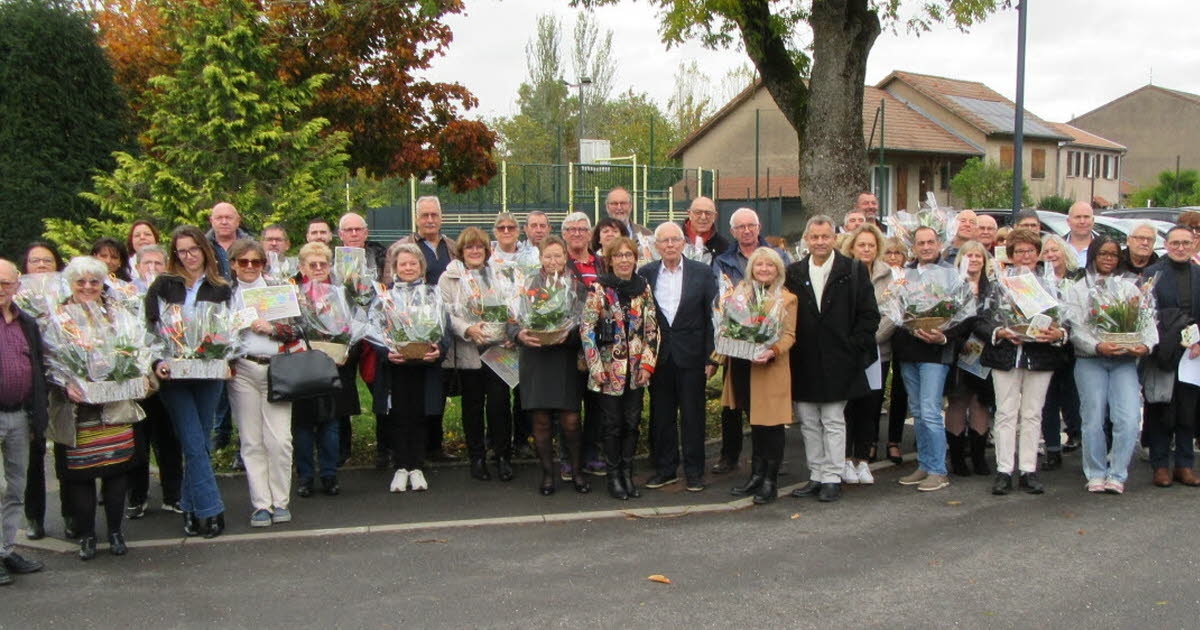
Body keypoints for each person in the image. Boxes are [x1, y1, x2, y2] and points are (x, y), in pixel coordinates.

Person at [51, 256, 146, 560]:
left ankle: (116, 532)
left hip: (114, 406)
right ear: (71, 284)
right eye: (81, 282)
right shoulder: (58, 317)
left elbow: (137, 349)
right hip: (77, 410)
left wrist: (133, 372)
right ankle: (88, 535)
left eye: (94, 281)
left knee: (116, 471)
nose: (88, 287)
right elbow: (47, 360)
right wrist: (65, 383)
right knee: (81, 475)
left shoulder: (118, 314)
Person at [144, 226, 232, 538]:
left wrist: (226, 355)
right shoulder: (163, 286)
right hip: (176, 376)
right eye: (181, 251)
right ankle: (211, 510)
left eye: (193, 249)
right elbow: (150, 332)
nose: (188, 256)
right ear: (174, 254)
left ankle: (189, 506)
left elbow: (230, 330)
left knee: (201, 442)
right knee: (194, 443)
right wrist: (158, 362)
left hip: (208, 374)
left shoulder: (221, 287)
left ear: (204, 250)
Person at [785, 216, 880, 503]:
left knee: (833, 419)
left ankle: (832, 476)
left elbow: (869, 315)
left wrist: (853, 347)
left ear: (835, 238)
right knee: (809, 421)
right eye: (814, 237)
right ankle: (816, 474)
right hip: (804, 359)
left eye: (825, 236)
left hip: (841, 359)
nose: (820, 242)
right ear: (806, 240)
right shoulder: (794, 272)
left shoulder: (851, 270)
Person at [979, 230, 1069, 495]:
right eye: (1019, 251)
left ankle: (1028, 469)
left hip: (1040, 356)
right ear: (1011, 255)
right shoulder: (998, 283)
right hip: (1006, 355)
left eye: (1030, 250)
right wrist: (1001, 331)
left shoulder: (1050, 283)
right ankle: (1004, 470)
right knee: (1006, 413)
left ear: (1038, 253)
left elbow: (1067, 322)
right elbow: (982, 319)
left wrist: (1058, 334)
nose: (1025, 256)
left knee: (1032, 413)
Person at [1067, 235, 1156, 494]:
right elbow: (1076, 329)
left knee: (1128, 418)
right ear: (1093, 255)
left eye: (1113, 255)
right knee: (1092, 418)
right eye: (1103, 253)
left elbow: (1146, 322)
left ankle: (1117, 472)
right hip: (1090, 361)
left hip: (1124, 362)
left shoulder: (1129, 287)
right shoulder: (1079, 288)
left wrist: (1146, 345)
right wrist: (1096, 345)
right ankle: (1095, 472)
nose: (1108, 259)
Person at [640, 222, 718, 492]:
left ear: (683, 243)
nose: (670, 245)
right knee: (662, 417)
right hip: (659, 358)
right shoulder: (646, 274)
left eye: (675, 240)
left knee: (693, 416)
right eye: (664, 241)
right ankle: (666, 469)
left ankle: (695, 472)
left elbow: (712, 317)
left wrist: (712, 357)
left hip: (693, 356)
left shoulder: (702, 273)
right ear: (656, 245)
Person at [226, 239, 299, 527]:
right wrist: (232, 326)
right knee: (251, 440)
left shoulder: (276, 289)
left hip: (276, 369)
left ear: (263, 264)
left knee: (280, 440)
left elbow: (297, 327)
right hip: (243, 369)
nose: (249, 267)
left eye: (255, 262)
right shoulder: (225, 293)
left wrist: (272, 328)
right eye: (243, 262)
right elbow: (214, 329)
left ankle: (281, 500)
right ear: (233, 264)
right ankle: (261, 504)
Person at [711, 207, 789, 475]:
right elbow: (720, 298)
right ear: (732, 231)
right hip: (735, 348)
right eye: (740, 227)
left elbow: (786, 299)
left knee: (765, 409)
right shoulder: (724, 260)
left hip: (769, 350)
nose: (746, 230)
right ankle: (731, 456)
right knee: (734, 404)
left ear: (759, 227)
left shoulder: (777, 256)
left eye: (751, 225)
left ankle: (767, 464)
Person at [894, 226, 972, 493]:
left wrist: (944, 336)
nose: (925, 247)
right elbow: (895, 308)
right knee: (917, 411)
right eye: (920, 243)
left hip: (935, 352)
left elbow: (966, 315)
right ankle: (925, 464)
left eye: (930, 242)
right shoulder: (904, 274)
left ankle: (938, 470)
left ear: (939, 244)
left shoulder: (952, 274)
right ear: (913, 247)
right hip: (909, 350)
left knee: (930, 410)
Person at [581, 237, 659, 500]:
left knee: (632, 423)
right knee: (612, 424)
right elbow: (587, 329)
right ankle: (614, 476)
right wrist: (594, 366)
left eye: (629, 255)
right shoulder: (599, 289)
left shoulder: (643, 288)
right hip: (608, 369)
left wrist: (648, 364)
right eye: (619, 256)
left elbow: (652, 329)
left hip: (637, 370)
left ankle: (627, 472)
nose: (624, 260)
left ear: (635, 259)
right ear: (610, 260)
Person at [438, 228, 515, 483]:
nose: (474, 251)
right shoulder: (449, 278)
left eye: (479, 247)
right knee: (472, 407)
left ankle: (503, 455)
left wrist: (508, 331)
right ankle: (477, 457)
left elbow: (513, 305)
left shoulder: (500, 275)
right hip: (469, 351)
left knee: (499, 405)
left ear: (486, 250)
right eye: (469, 247)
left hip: (498, 351)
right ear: (461, 251)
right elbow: (446, 314)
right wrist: (468, 329)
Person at [516, 236, 589, 496]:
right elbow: (513, 319)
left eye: (558, 256)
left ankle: (577, 471)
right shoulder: (526, 285)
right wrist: (519, 334)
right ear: (540, 258)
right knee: (541, 420)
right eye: (548, 256)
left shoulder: (577, 286)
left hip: (564, 358)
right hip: (536, 357)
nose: (553, 261)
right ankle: (548, 474)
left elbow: (584, 322)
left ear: (566, 256)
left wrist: (567, 335)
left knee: (570, 419)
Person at [724, 248, 797, 504]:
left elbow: (789, 335)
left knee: (772, 427)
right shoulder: (739, 294)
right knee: (754, 423)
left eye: (770, 265)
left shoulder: (787, 299)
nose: (764, 269)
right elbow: (728, 326)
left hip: (769, 368)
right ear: (751, 268)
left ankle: (770, 480)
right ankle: (756, 475)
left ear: (778, 270)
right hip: (743, 367)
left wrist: (772, 351)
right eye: (759, 265)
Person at [373, 244, 445, 493]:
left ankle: (417, 466)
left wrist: (438, 349)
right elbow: (376, 332)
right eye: (402, 264)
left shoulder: (433, 294)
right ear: (394, 268)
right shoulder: (385, 297)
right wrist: (387, 351)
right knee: (398, 417)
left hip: (423, 365)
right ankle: (400, 467)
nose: (408, 268)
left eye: (413, 263)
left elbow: (443, 330)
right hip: (397, 366)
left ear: (421, 267)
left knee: (420, 416)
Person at [396, 198, 458, 463]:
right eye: (425, 215)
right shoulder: (402, 248)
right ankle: (405, 454)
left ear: (441, 217)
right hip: (408, 329)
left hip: (441, 327)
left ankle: (434, 445)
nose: (430, 219)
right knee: (407, 400)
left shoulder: (452, 247)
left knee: (438, 391)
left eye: (434, 214)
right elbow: (391, 287)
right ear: (417, 218)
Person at [125, 245, 183, 521]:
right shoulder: (125, 297)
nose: (152, 268)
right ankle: (137, 496)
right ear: (136, 268)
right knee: (138, 440)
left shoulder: (175, 296)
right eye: (146, 263)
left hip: (167, 375)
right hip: (138, 378)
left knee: (169, 439)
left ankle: (174, 495)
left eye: (158, 263)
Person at [292, 242, 353, 497]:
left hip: (332, 363)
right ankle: (305, 476)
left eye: (323, 264)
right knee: (303, 424)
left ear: (330, 266)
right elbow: (287, 327)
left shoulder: (340, 293)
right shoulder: (294, 294)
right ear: (302, 267)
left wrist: (344, 346)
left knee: (330, 421)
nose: (318, 268)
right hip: (303, 365)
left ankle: (329, 474)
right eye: (312, 264)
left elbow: (349, 325)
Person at [0, 258, 47, 582]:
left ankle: (4, 550)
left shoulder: (26, 322)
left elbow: (38, 372)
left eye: (6, 282)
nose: (1, 288)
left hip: (19, 416)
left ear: (18, 285)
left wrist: (36, 417)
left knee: (16, 488)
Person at [1143, 226, 1200, 487]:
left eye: (1185, 243)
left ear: (1193, 245)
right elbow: (1144, 314)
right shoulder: (1152, 274)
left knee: (1188, 409)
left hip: (1193, 353)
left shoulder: (1199, 274)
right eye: (1175, 243)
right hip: (1161, 350)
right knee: (1160, 408)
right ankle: (1160, 465)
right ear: (1166, 245)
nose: (1180, 247)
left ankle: (1185, 465)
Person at [839, 224, 895, 481]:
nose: (866, 249)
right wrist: (855, 341)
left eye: (871, 245)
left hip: (878, 353)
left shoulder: (888, 275)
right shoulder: (842, 273)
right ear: (852, 247)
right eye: (861, 244)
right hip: (849, 353)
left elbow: (893, 313)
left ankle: (863, 459)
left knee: (870, 407)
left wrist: (870, 339)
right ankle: (845, 459)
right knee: (847, 407)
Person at [18, 244, 65, 542]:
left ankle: (73, 513)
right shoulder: (16, 300)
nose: (42, 265)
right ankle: (34, 515)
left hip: (63, 379)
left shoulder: (65, 294)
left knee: (67, 445)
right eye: (35, 261)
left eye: (48, 260)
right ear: (26, 267)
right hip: (30, 384)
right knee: (33, 452)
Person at [943, 241, 993, 478]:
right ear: (960, 259)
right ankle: (957, 459)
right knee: (958, 402)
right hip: (958, 350)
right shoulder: (953, 286)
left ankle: (979, 457)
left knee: (980, 403)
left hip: (986, 352)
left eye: (978, 255)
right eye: (968, 255)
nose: (973, 259)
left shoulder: (992, 288)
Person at [561, 212, 606, 477]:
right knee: (569, 406)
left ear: (590, 234)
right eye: (571, 229)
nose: (577, 234)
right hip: (568, 345)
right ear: (564, 234)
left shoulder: (602, 264)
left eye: (582, 229)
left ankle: (592, 454)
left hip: (599, 346)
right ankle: (568, 457)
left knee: (596, 404)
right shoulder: (559, 264)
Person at [1040, 234, 1084, 464]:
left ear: (1064, 251)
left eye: (1054, 250)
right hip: (1046, 345)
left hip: (1072, 345)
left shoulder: (1079, 276)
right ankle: (1053, 448)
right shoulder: (1038, 278)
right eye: (1046, 252)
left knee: (1071, 394)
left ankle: (1076, 433)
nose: (1050, 255)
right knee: (1048, 399)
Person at [880, 237, 910, 464]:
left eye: (897, 253)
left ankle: (894, 441)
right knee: (876, 393)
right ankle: (870, 441)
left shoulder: (909, 278)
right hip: (881, 341)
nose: (893, 257)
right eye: (888, 252)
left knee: (900, 392)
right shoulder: (879, 278)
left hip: (904, 341)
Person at [207, 201, 252, 281]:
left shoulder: (251, 246)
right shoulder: (202, 246)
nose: (224, 222)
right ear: (211, 221)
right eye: (219, 218)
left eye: (228, 218)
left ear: (238, 221)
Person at [1066, 201, 1095, 268]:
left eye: (1086, 217)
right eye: (1078, 217)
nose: (1082, 221)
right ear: (1068, 221)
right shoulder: (1058, 246)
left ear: (1093, 221)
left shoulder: (1104, 247)